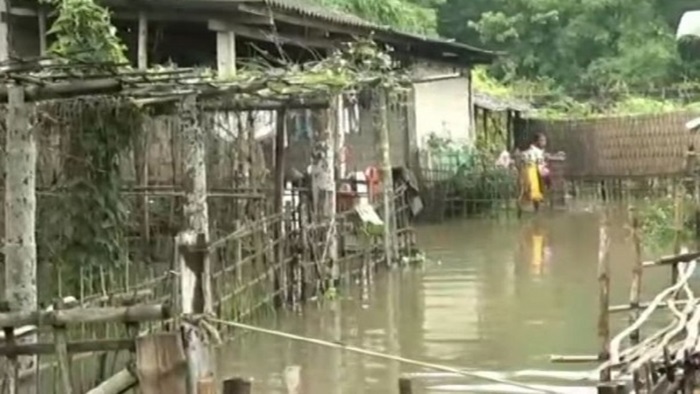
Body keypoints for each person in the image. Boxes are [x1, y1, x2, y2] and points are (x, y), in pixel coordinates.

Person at [517, 132, 565, 214]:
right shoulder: (536, 152)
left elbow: (543, 157)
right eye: (542, 140)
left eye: (545, 140)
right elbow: (541, 166)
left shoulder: (531, 151)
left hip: (526, 172)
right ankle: (536, 211)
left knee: (527, 192)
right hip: (531, 171)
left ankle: (522, 209)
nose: (544, 142)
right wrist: (548, 180)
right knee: (535, 192)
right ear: (536, 142)